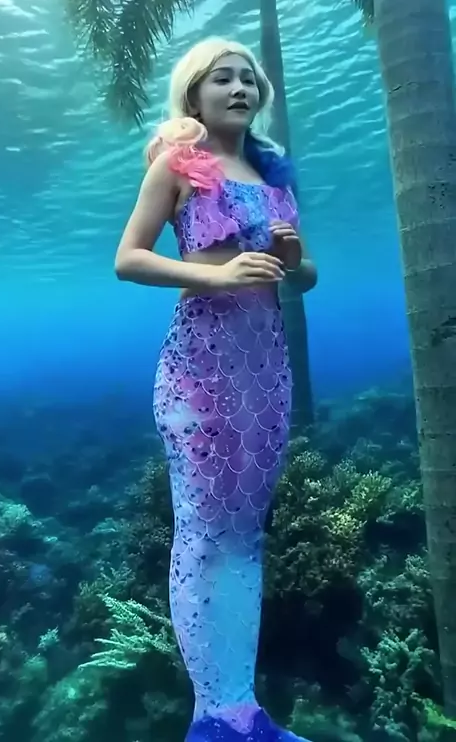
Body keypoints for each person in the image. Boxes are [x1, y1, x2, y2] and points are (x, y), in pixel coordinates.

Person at [115, 38, 317, 742]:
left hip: (264, 372)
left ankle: (243, 707)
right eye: (222, 78)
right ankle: (212, 717)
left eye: (247, 78)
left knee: (245, 536)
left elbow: (305, 277)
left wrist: (292, 259)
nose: (239, 88)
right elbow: (128, 259)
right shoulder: (177, 165)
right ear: (194, 95)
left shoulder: (273, 174)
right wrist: (215, 275)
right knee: (204, 533)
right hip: (199, 369)